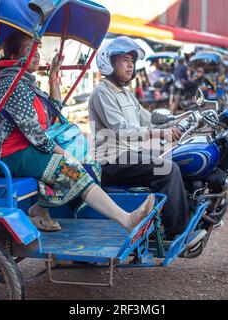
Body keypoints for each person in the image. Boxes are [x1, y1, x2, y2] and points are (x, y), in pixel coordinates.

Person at [0, 32, 155, 233]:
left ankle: (40, 210)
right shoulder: (12, 85)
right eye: (29, 51)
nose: (37, 55)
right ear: (14, 58)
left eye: (37, 50)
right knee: (73, 168)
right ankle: (127, 220)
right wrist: (65, 154)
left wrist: (53, 77)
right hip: (13, 154)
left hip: (29, 150)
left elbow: (54, 113)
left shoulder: (24, 82)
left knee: (89, 164)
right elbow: (36, 136)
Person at [89, 36, 191, 241]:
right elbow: (122, 129)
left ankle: (159, 219)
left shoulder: (125, 94)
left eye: (132, 61)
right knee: (168, 169)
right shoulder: (102, 92)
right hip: (111, 159)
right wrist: (161, 133)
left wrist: (179, 120)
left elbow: (148, 119)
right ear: (109, 62)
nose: (130, 65)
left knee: (178, 159)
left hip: (129, 155)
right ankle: (175, 232)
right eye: (125, 59)